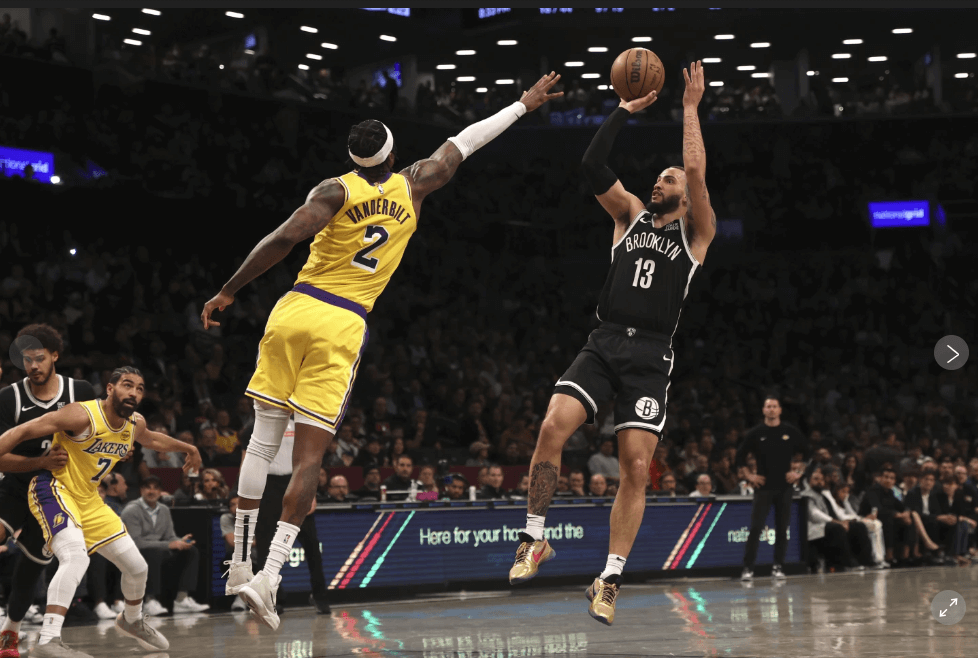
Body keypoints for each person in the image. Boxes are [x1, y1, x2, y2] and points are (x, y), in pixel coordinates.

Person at [203, 72, 563, 632]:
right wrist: (521, 104)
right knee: (309, 459)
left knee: (261, 440)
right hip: (342, 322)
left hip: (292, 307)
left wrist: (229, 288)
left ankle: (239, 562)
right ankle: (269, 577)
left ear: (352, 157)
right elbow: (466, 140)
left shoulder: (332, 190)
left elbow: (282, 239)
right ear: (393, 154)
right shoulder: (413, 184)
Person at [507, 63, 715, 626]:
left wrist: (689, 109)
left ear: (685, 197)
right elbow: (592, 165)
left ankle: (611, 576)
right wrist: (622, 111)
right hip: (603, 341)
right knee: (552, 426)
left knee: (636, 464)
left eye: (668, 181)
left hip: (651, 355)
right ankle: (534, 539)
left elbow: (695, 170)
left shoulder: (697, 235)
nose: (661, 183)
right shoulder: (629, 215)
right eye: (660, 179)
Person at [0, 367, 201, 657]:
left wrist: (188, 448)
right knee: (76, 556)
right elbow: (26, 429)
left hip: (90, 500)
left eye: (140, 388)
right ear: (109, 389)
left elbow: (153, 439)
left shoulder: (134, 424)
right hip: (54, 488)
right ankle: (48, 640)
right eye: (127, 385)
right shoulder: (81, 414)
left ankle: (131, 620)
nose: (133, 392)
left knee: (137, 568)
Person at [0, 324, 96, 658]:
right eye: (27, 360)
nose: (33, 366)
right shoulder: (8, 397)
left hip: (56, 492)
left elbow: (98, 439)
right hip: (13, 487)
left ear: (55, 355)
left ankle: (9, 636)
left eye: (39, 358)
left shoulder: (80, 390)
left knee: (28, 574)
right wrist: (40, 461)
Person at [245, 417, 330, 615]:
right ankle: (273, 598)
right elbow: (247, 461)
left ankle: (319, 596)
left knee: (311, 544)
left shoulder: (301, 424)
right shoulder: (255, 425)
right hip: (267, 485)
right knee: (266, 545)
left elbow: (311, 458)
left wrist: (312, 493)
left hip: (296, 482)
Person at [735, 396, 808, 582]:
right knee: (755, 528)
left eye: (775, 406)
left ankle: (778, 567)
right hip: (764, 487)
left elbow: (808, 453)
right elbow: (740, 456)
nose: (772, 410)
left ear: (780, 410)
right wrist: (750, 476)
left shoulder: (789, 431)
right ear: (763, 410)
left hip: (785, 487)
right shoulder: (756, 432)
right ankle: (748, 568)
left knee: (782, 528)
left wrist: (798, 472)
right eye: (768, 406)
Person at [120, 477, 210, 615]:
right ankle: (150, 601)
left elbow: (170, 536)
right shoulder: (131, 510)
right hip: (137, 553)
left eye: (155, 488)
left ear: (160, 491)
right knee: (153, 552)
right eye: (148, 487)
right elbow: (135, 542)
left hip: (160, 550)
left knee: (191, 551)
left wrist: (180, 542)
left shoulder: (164, 510)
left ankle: (182, 600)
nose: (152, 491)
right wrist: (169, 544)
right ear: (141, 490)